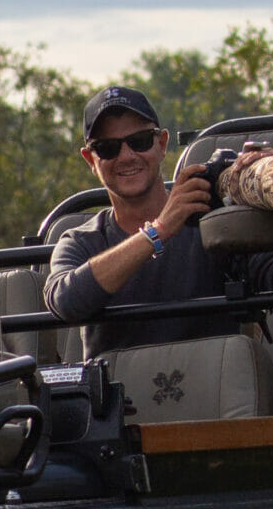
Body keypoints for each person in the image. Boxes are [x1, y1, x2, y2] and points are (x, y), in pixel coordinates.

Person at [43, 86, 253, 357]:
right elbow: (65, 301)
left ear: (162, 143)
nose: (127, 156)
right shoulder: (80, 241)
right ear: (90, 160)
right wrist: (158, 231)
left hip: (212, 391)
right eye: (108, 148)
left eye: (140, 140)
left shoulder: (213, 221)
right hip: (123, 395)